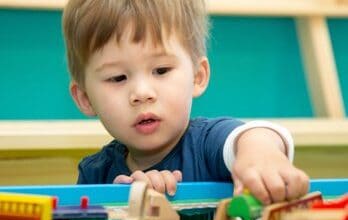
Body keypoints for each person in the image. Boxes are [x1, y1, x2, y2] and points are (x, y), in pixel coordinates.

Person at [62, 0, 309, 205]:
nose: (142, 93)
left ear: (197, 76)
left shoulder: (207, 143)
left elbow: (252, 135)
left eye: (160, 70)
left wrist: (260, 156)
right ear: (85, 98)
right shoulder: (95, 173)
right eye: (118, 77)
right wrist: (115, 205)